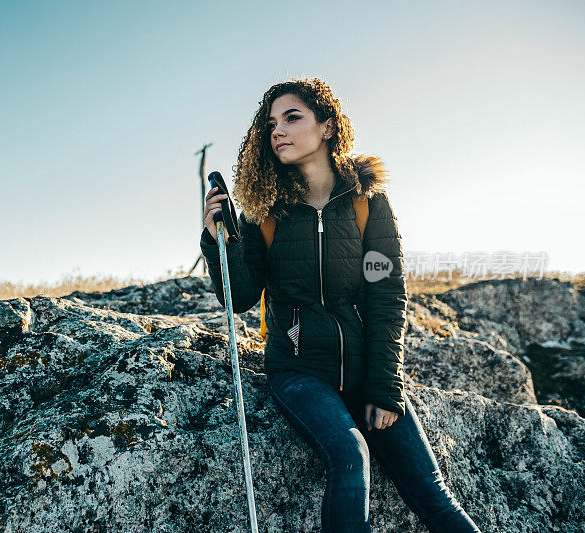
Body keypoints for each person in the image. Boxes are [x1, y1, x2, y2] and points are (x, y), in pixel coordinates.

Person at [199, 77, 481, 533]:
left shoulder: (368, 205)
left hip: (366, 369)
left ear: (328, 127)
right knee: (350, 457)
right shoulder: (265, 210)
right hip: (300, 369)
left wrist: (385, 387)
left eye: (292, 118)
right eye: (270, 123)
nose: (278, 131)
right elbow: (242, 296)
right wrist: (219, 241)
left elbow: (386, 295)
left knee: (433, 492)